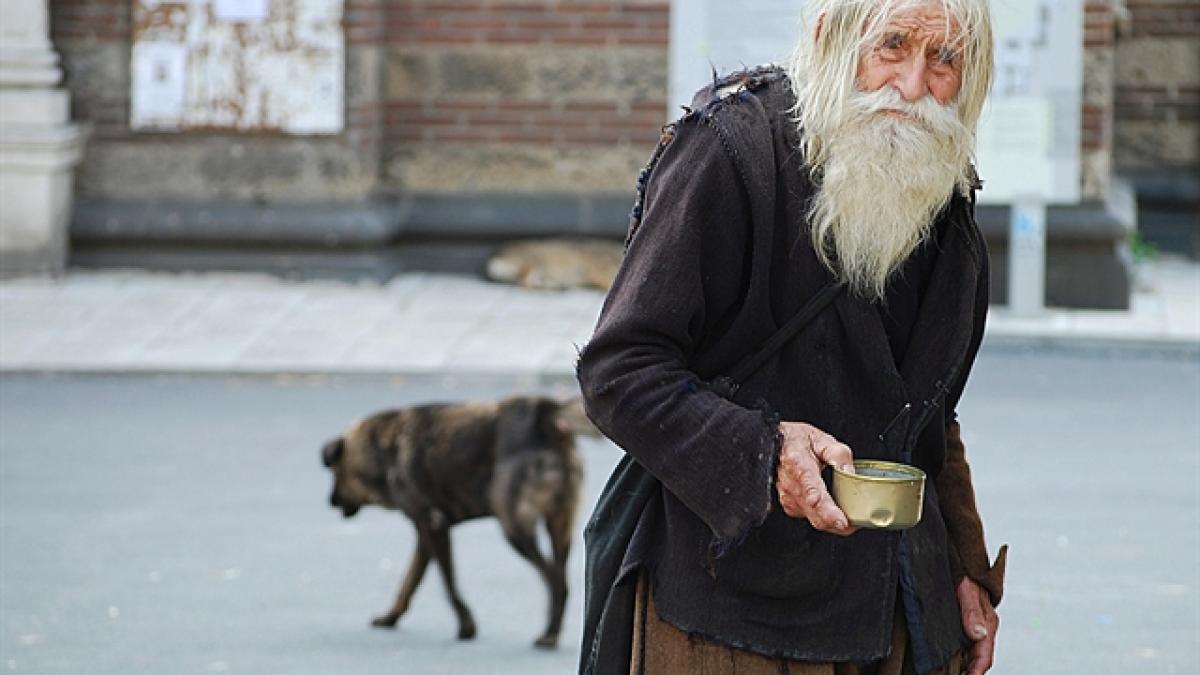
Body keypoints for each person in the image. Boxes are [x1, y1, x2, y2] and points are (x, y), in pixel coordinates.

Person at [575, 0, 1008, 673]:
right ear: (828, 38)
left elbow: (930, 413)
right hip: (726, 621)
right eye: (891, 46)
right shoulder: (728, 150)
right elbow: (620, 372)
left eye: (944, 59)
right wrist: (764, 452)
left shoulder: (943, 191)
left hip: (896, 612)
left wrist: (961, 569)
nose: (914, 86)